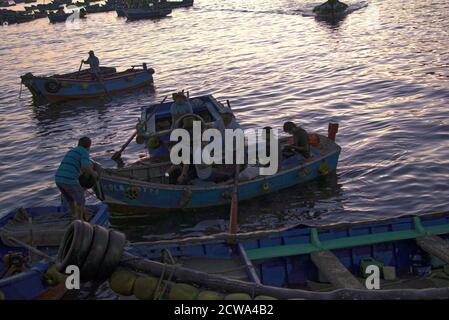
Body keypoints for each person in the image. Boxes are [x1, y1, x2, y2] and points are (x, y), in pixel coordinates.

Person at [55, 137, 98, 221]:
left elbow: (74, 166)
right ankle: (81, 220)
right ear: (89, 146)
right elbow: (85, 166)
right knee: (81, 200)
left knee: (70, 199)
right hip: (69, 180)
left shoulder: (71, 151)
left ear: (78, 144)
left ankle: (74, 216)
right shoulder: (84, 152)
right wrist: (94, 173)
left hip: (58, 179)